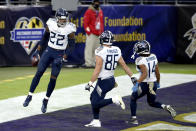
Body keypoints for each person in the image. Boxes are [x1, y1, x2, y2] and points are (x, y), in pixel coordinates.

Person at [23, 8, 76, 113]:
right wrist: (37, 51)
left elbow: (71, 46)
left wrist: (63, 58)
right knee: (39, 72)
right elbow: (44, 37)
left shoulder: (70, 29)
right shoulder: (51, 23)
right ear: (57, 18)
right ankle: (29, 95)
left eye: (65, 19)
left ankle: (46, 100)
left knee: (53, 78)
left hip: (59, 53)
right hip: (49, 50)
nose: (64, 21)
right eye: (61, 19)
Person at [84, 30, 133, 127]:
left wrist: (90, 83)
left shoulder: (100, 51)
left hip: (104, 81)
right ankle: (96, 121)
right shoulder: (117, 49)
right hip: (110, 80)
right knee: (93, 98)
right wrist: (132, 77)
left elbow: (97, 70)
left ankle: (114, 99)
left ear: (103, 40)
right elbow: (124, 65)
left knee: (95, 103)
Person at [128, 40, 176, 124]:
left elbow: (145, 74)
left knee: (133, 98)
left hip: (144, 84)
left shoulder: (139, 60)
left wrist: (137, 83)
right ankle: (166, 106)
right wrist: (158, 82)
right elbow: (157, 71)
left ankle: (133, 119)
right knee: (152, 102)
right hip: (153, 83)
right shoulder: (153, 56)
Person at [83, 0, 104, 68]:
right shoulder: (89, 11)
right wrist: (88, 32)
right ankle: (89, 63)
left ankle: (95, 63)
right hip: (91, 33)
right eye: (95, 2)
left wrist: (101, 31)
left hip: (98, 33)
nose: (97, 3)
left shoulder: (100, 11)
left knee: (97, 50)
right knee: (89, 49)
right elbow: (85, 23)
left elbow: (102, 22)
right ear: (93, 3)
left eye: (98, 2)